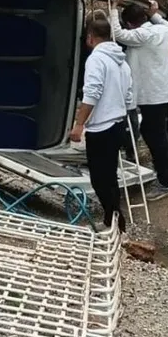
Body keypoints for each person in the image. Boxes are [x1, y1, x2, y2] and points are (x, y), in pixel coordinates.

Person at [112, 0, 168, 201]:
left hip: (152, 95)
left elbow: (117, 34)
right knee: (154, 133)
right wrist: (155, 14)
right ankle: (164, 177)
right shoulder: (163, 31)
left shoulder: (141, 36)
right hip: (164, 92)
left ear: (130, 24)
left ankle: (166, 183)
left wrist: (113, 8)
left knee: (157, 137)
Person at [70, 15, 134, 232]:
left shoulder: (96, 59)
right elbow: (128, 94)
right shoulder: (121, 60)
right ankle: (113, 220)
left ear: (90, 37)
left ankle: (113, 220)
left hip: (102, 126)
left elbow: (92, 93)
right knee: (110, 176)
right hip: (118, 122)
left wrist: (79, 124)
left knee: (99, 178)